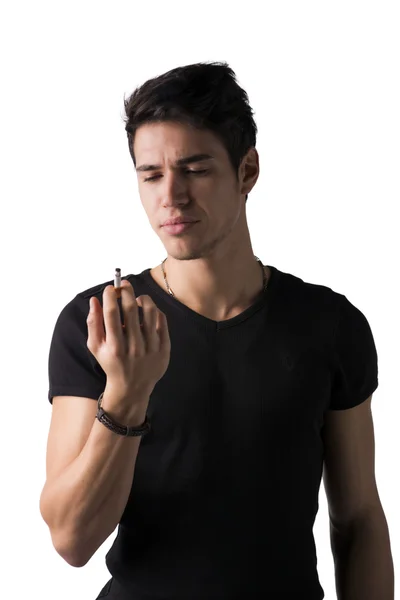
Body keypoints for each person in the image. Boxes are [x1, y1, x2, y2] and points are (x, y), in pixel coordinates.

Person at [40, 61, 394, 600]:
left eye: (196, 169)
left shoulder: (329, 324)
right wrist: (127, 393)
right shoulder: (99, 325)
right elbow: (71, 540)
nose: (172, 197)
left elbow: (359, 520)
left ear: (247, 170)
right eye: (151, 175)